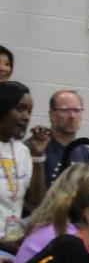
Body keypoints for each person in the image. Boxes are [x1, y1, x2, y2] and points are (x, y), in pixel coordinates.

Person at [0, 81, 45, 249]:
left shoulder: (22, 151)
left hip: (12, 240)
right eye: (19, 109)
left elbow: (36, 205)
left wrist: (38, 155)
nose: (26, 116)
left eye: (29, 111)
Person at [44, 90, 89, 181]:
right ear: (52, 114)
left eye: (77, 110)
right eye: (65, 110)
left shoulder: (88, 154)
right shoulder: (39, 149)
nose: (72, 116)